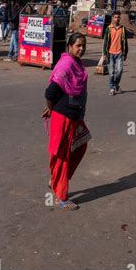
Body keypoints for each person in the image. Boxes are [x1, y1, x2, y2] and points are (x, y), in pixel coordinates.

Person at [42, 33, 90, 211]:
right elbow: (50, 93)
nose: (81, 49)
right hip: (63, 116)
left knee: (81, 145)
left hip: (75, 116)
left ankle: (55, 180)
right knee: (62, 155)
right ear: (70, 46)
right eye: (78, 45)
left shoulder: (77, 63)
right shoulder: (66, 64)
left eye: (83, 45)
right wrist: (50, 107)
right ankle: (61, 197)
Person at [103, 11, 128, 96]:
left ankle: (116, 84)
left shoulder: (122, 29)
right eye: (115, 17)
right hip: (110, 54)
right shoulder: (108, 29)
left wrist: (125, 53)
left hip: (120, 53)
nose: (117, 19)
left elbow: (125, 42)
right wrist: (104, 54)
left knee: (119, 71)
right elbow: (105, 42)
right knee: (111, 72)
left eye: (118, 17)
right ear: (112, 18)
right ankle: (112, 88)